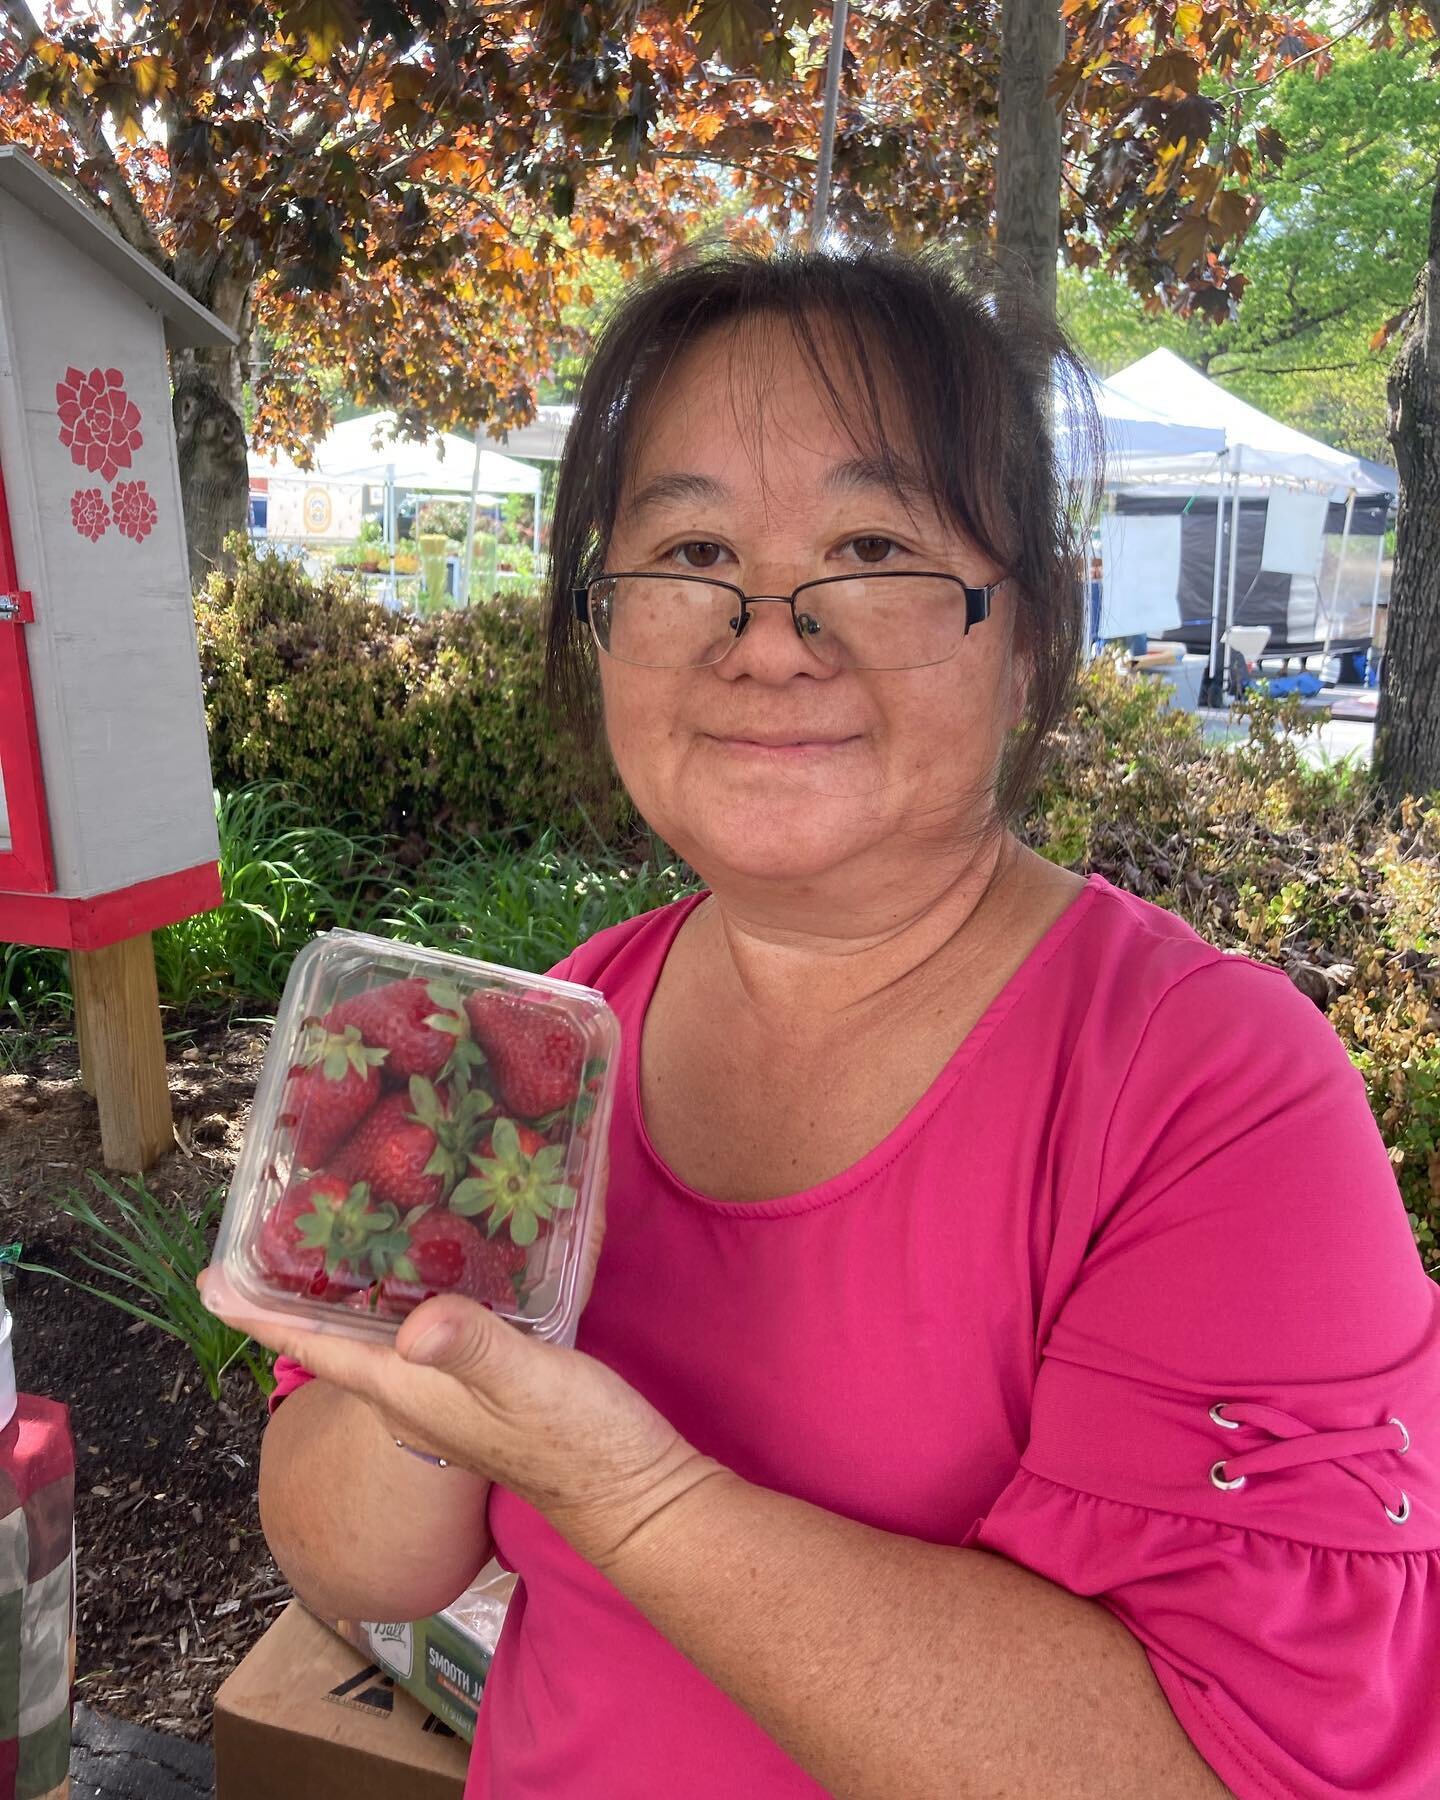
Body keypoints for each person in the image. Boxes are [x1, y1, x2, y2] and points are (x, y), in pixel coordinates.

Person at [206, 246, 1438, 1800]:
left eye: (869, 544)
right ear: (604, 624)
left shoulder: (1207, 1089)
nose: (769, 633)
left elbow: (1238, 1768)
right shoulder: (554, 1031)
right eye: (693, 548)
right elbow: (351, 1555)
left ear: (1029, 637)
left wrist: (632, 1497)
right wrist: (438, 1400)